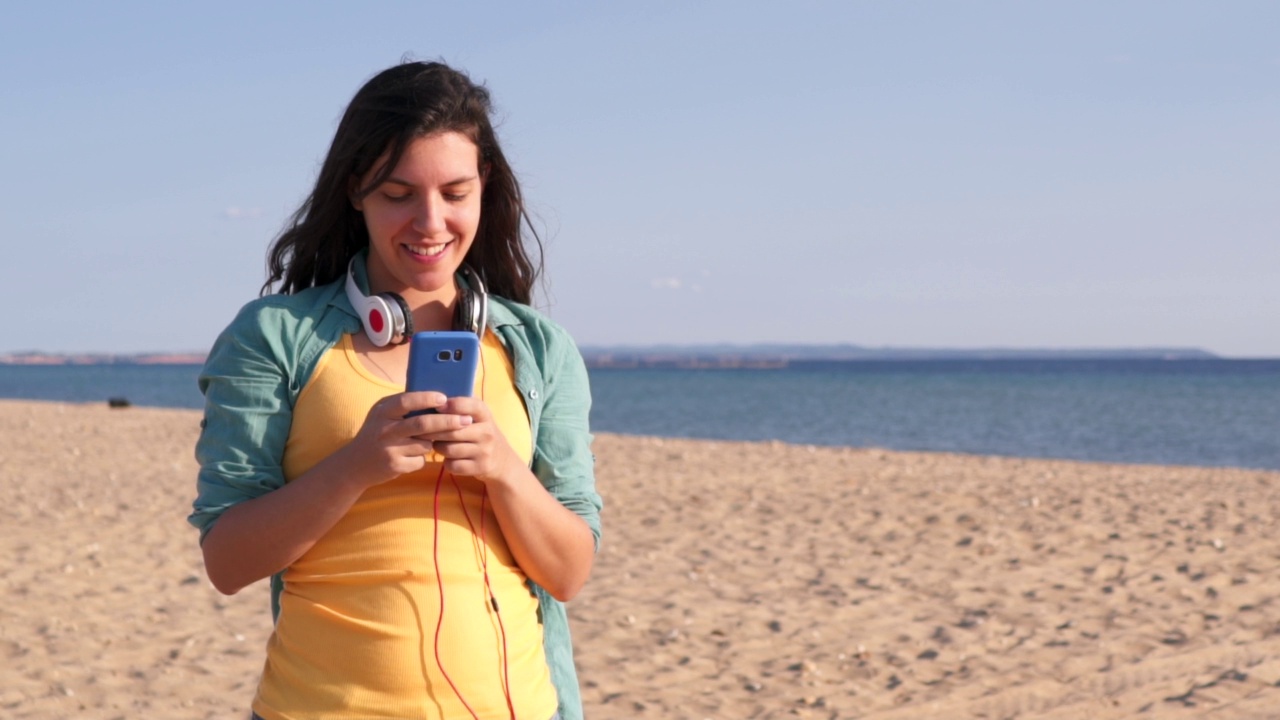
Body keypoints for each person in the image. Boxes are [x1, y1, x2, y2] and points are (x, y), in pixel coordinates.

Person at [188, 61, 601, 720]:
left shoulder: (539, 349)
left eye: (455, 192)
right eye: (399, 193)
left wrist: (503, 472)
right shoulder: (274, 336)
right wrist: (355, 467)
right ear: (357, 191)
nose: (430, 221)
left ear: (484, 189)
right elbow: (228, 561)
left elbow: (570, 571)